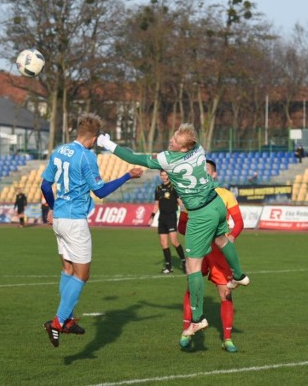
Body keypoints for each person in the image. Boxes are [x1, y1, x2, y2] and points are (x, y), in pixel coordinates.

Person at [97, 123, 249, 338]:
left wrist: (107, 144)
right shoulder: (199, 150)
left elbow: (134, 159)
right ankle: (240, 275)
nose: (171, 140)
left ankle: (198, 319)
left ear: (184, 147)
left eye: (176, 140)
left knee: (193, 266)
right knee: (222, 240)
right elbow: (177, 150)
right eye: (173, 136)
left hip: (199, 213)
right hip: (215, 204)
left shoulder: (167, 160)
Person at [41, 113, 143, 348]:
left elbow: (46, 185)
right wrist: (128, 175)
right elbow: (101, 192)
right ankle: (57, 322)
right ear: (95, 138)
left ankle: (66, 320)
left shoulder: (59, 150)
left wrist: (53, 207)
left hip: (59, 219)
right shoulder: (86, 157)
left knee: (67, 268)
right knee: (82, 274)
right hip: (75, 222)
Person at [178, 159, 244, 352]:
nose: (204, 174)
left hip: (217, 252)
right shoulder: (190, 196)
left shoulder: (225, 194)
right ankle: (186, 331)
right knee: (192, 289)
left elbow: (238, 222)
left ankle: (228, 338)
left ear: (214, 174)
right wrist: (183, 210)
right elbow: (182, 227)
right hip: (198, 249)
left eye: (207, 171)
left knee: (225, 293)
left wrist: (230, 238)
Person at [150, 170, 186, 274]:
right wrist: (152, 216)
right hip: (162, 217)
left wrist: (185, 212)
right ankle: (169, 267)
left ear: (168, 176)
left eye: (165, 175)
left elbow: (180, 202)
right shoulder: (158, 189)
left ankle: (184, 262)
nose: (164, 177)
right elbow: (156, 204)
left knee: (174, 241)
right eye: (162, 175)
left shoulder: (173, 187)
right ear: (160, 176)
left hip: (171, 216)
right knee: (163, 243)